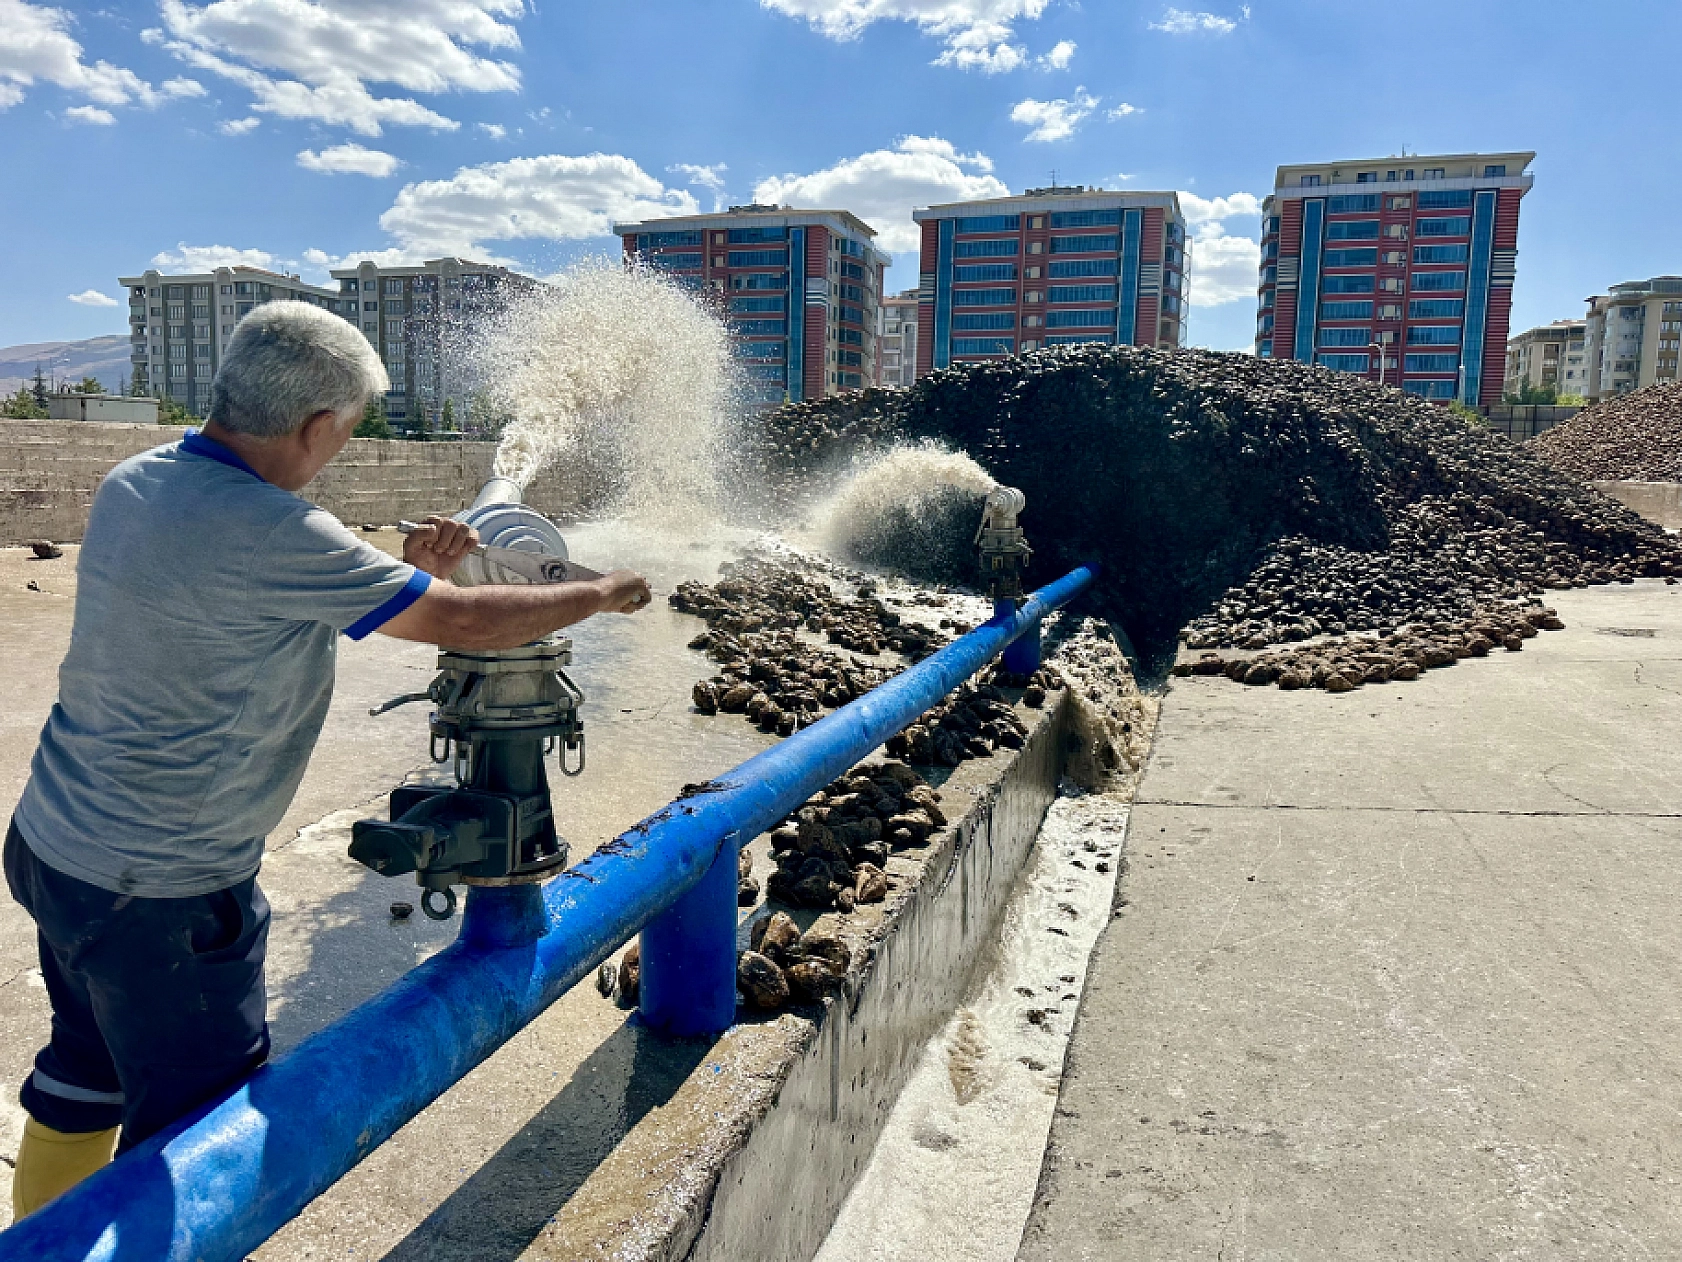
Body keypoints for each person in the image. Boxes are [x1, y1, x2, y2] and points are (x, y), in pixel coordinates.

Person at [5, 302, 650, 1217]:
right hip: (162, 889)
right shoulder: (272, 531)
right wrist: (600, 593)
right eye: (342, 434)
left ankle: (34, 1242)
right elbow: (459, 619)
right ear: (316, 426)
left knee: (83, 1073)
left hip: (55, 844)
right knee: (199, 1145)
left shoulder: (136, 481)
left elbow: (264, 583)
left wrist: (409, 564)